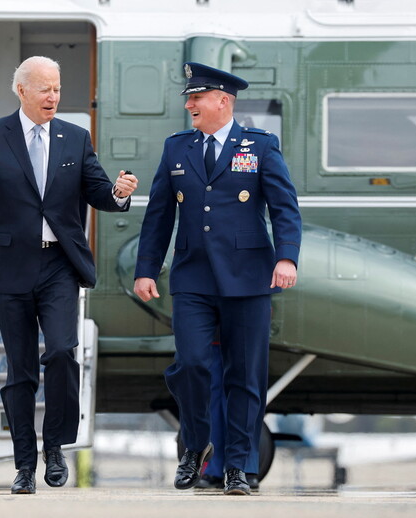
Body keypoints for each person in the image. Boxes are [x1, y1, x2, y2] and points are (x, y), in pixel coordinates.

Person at [0, 56, 138, 494]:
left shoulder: (74, 137)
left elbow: (98, 191)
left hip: (58, 266)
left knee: (64, 352)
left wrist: (118, 194)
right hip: (7, 267)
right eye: (44, 89)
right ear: (22, 91)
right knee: (21, 369)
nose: (53, 97)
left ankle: (55, 447)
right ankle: (24, 465)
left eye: (57, 88)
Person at [133, 62, 301, 496]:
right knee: (190, 364)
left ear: (222, 101)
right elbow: (158, 215)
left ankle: (240, 468)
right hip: (193, 277)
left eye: (197, 97)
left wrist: (287, 259)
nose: (189, 104)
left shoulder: (260, 146)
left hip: (248, 277)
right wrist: (146, 269)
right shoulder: (177, 148)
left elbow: (285, 209)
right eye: (189, 97)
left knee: (245, 376)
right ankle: (196, 446)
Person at [196, 342, 260, 490]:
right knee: (211, 398)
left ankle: (245, 465)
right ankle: (212, 468)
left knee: (242, 394)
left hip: (242, 330)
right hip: (211, 334)